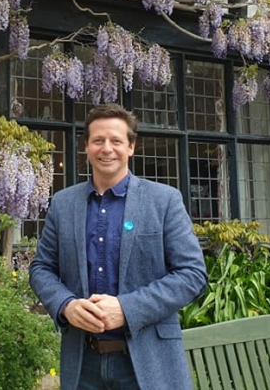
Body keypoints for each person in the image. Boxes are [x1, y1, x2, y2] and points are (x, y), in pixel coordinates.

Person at [29, 103, 208, 390]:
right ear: (87, 147)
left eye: (116, 141)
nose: (106, 149)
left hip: (147, 362)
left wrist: (127, 308)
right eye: (98, 141)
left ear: (131, 147)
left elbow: (192, 275)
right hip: (83, 362)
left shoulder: (164, 201)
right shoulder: (64, 204)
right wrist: (66, 305)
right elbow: (41, 268)